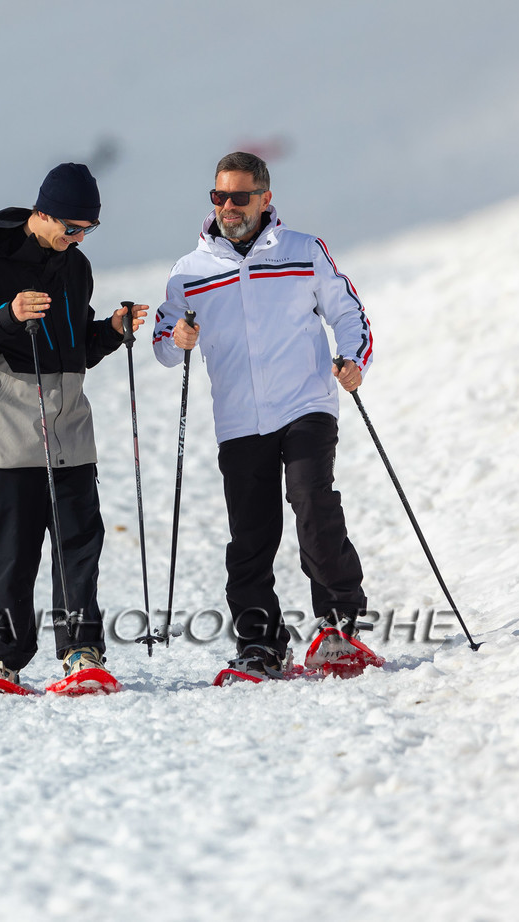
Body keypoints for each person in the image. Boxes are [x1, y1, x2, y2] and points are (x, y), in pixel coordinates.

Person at [152, 151, 380, 683]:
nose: (228, 207)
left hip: (305, 403)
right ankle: (261, 646)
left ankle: (339, 628)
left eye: (239, 197)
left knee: (313, 505)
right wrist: (177, 337)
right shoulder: (190, 270)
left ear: (265, 198)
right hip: (239, 418)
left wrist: (353, 359)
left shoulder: (302, 251)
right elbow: (164, 343)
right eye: (219, 196)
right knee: (250, 539)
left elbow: (348, 311)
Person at [0, 162, 146, 693]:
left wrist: (111, 331)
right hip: (6, 431)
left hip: (69, 430)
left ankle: (82, 653)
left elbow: (75, 346)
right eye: (72, 228)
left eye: (88, 232)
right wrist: (9, 315)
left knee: (79, 549)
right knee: (10, 554)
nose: (78, 240)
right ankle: (2, 662)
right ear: (43, 213)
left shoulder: (75, 268)